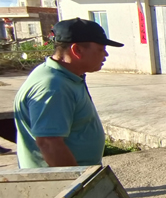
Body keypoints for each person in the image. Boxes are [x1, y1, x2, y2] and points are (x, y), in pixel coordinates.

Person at [14, 18, 124, 168]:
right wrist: (79, 185)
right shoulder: (53, 86)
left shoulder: (65, 77)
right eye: (100, 49)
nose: (106, 54)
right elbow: (49, 143)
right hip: (61, 185)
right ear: (77, 50)